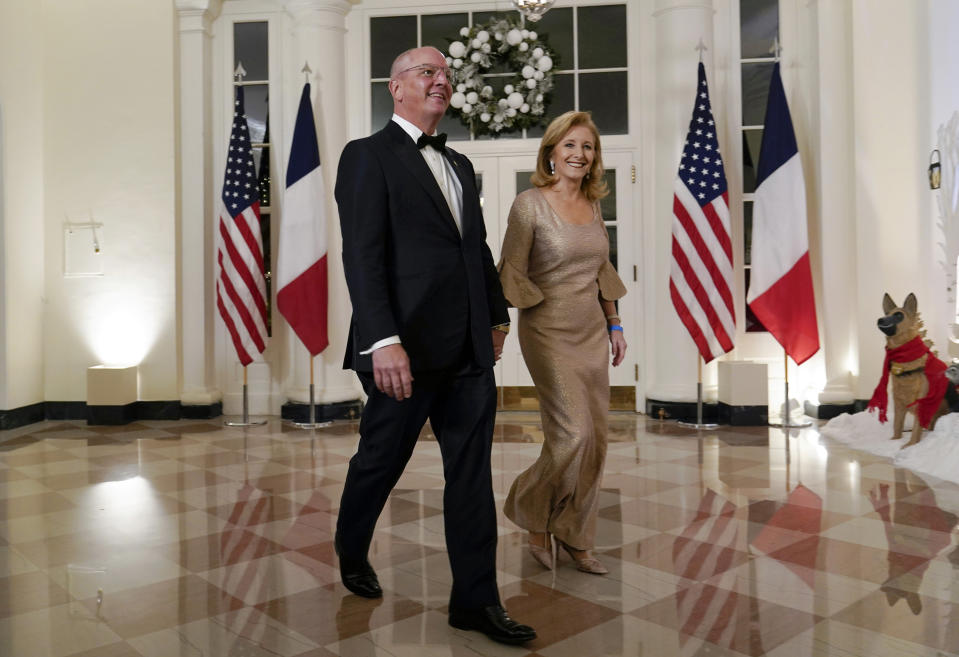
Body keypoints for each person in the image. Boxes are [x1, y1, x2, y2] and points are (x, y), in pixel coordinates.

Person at [333, 46, 536, 646]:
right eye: (428, 72)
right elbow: (362, 257)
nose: (441, 81)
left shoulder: (462, 166)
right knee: (381, 462)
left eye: (447, 74)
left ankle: (474, 601)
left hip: (469, 350)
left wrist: (497, 319)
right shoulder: (366, 157)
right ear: (395, 88)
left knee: (471, 475)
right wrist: (382, 341)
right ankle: (351, 545)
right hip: (403, 350)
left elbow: (471, 251)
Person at [499, 111, 627, 575]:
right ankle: (531, 510)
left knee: (595, 441)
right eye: (570, 145)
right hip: (547, 333)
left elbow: (601, 273)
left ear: (595, 159)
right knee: (572, 435)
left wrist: (614, 324)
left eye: (587, 147)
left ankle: (576, 534)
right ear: (552, 152)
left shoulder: (594, 208)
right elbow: (510, 269)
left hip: (592, 333)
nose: (579, 154)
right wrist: (500, 331)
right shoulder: (528, 204)